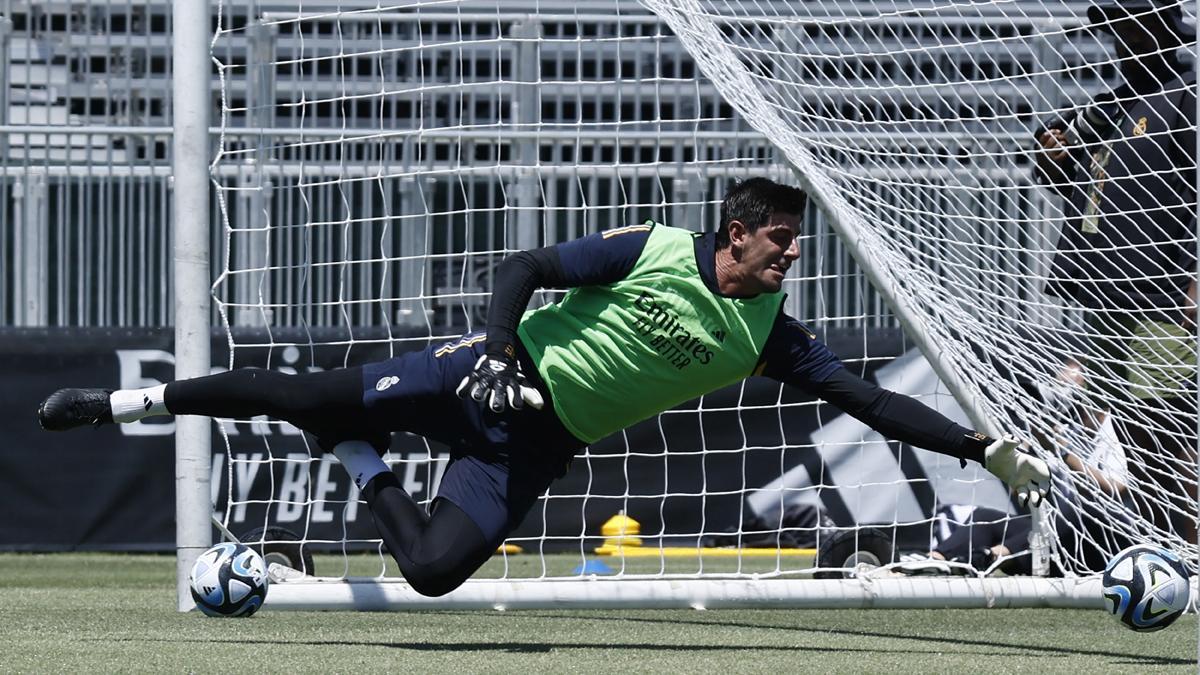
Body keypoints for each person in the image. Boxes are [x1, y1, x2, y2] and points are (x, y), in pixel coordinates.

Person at [37, 178, 1050, 596]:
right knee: (295, 391)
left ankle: (355, 457)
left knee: (434, 574)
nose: (791, 258)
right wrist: (495, 350)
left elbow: (872, 404)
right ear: (736, 233)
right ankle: (121, 405)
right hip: (476, 383)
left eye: (795, 247)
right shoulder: (656, 248)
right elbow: (521, 267)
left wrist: (982, 448)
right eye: (782, 242)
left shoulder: (768, 336)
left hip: (534, 446)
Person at [1035, 0, 1197, 542]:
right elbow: (1076, 189)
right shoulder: (1107, 105)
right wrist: (1051, 156)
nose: (1118, 35)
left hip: (1161, 293)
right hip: (1103, 291)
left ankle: (1185, 548)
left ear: (1161, 28)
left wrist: (1195, 276)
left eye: (1130, 23)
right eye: (1114, 25)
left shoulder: (1187, 94)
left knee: (1168, 430)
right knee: (1122, 427)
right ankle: (1154, 547)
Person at [904, 358, 1132, 576]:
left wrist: (1061, 452)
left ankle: (993, 557)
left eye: (1071, 386)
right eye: (1060, 386)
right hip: (1058, 539)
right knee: (986, 518)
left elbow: (1115, 489)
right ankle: (934, 560)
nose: (1065, 394)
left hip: (1105, 543)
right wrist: (1025, 454)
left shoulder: (1117, 430)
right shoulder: (1066, 430)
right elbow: (1020, 494)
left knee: (1078, 512)